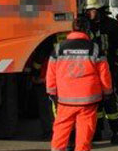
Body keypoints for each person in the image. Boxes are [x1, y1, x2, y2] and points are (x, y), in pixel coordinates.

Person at [47, 16, 113, 151]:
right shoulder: (94, 49)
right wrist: (107, 92)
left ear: (72, 29)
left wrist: (52, 92)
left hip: (65, 99)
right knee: (85, 131)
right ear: (86, 30)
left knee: (61, 128)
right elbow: (104, 74)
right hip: (88, 99)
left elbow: (51, 73)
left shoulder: (59, 48)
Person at [83, 0, 118, 144]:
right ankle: (97, 131)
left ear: (99, 9)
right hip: (91, 71)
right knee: (96, 104)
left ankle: (115, 132)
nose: (89, 13)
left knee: (110, 102)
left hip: (109, 69)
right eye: (87, 10)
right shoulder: (87, 25)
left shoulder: (112, 24)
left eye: (91, 10)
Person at [30, 33, 67, 139]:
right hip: (62, 77)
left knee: (45, 106)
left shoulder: (47, 37)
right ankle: (63, 130)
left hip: (45, 77)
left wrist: (35, 73)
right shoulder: (67, 36)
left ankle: (50, 131)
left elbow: (40, 57)